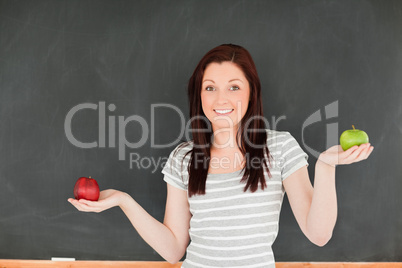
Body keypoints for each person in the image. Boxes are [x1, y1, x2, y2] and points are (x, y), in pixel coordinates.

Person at [68, 44, 374, 267]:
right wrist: (124, 200)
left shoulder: (280, 147)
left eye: (234, 87)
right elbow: (174, 249)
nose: (221, 99)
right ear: (199, 95)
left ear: (251, 92)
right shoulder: (183, 158)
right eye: (210, 88)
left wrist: (325, 166)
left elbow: (318, 235)